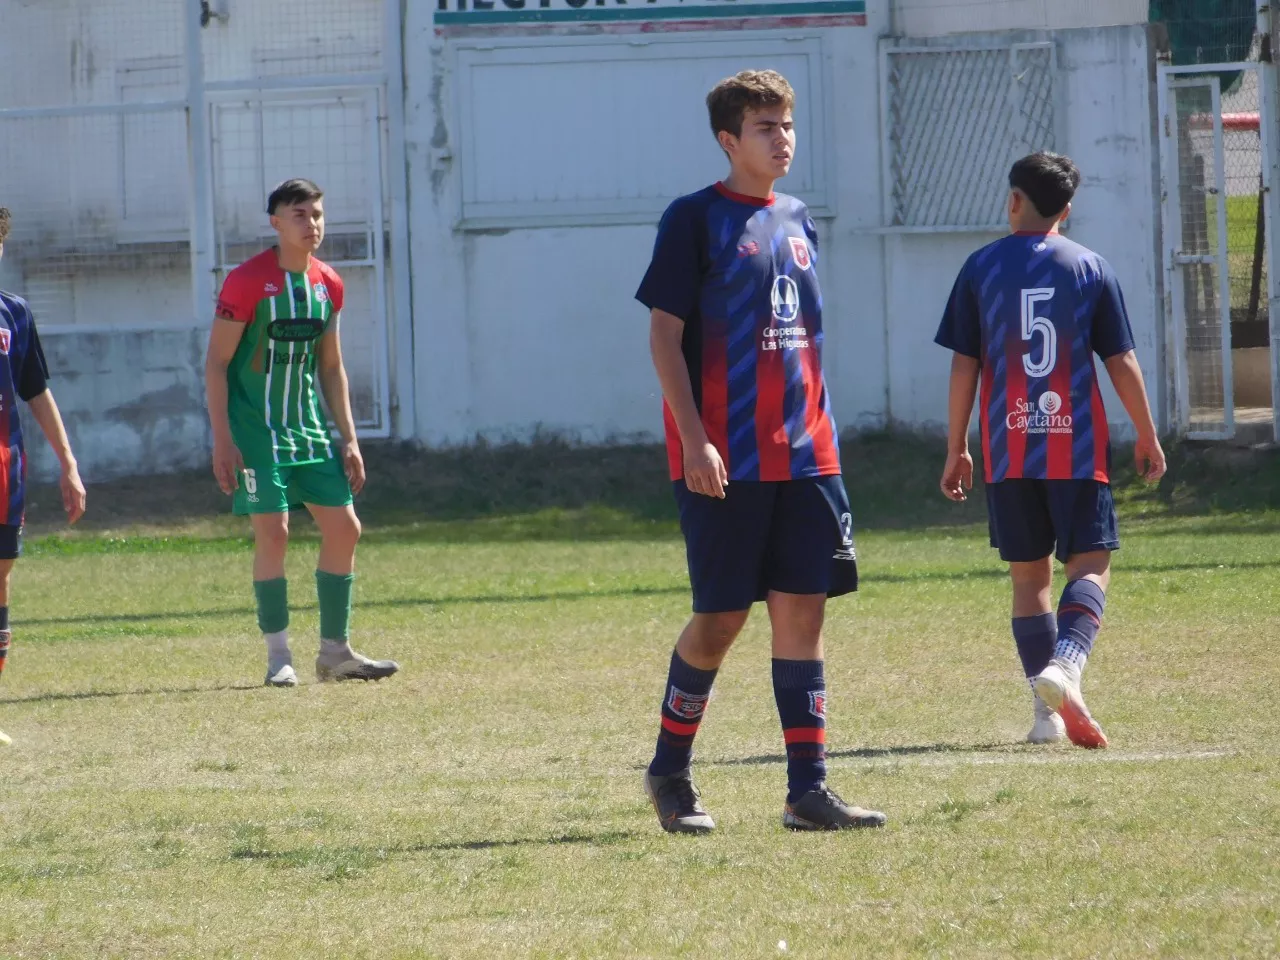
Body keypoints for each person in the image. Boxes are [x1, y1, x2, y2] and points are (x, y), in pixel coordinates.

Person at [635, 71, 886, 833]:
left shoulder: (799, 218)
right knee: (719, 621)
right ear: (727, 140)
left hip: (807, 456)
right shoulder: (694, 220)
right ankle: (669, 774)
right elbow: (664, 338)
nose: (781, 139)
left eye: (786, 124)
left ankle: (807, 792)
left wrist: (823, 439)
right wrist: (697, 439)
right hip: (726, 461)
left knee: (802, 614)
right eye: (764, 127)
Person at [934, 151, 1166, 748]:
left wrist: (958, 446)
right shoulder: (1089, 266)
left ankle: (1046, 718)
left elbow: (966, 364)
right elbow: (1121, 361)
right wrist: (1145, 430)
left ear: (1014, 200)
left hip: (1008, 450)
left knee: (1028, 577)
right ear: (1066, 210)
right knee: (1090, 563)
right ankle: (1066, 664)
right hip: (1075, 448)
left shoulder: (980, 267)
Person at [205, 179, 398, 688]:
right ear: (275, 223)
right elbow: (217, 363)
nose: (310, 224)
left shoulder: (328, 283)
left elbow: (332, 368)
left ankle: (336, 653)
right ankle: (278, 658)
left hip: (308, 432)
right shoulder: (246, 282)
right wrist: (223, 439)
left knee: (346, 529)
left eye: (316, 214)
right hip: (257, 435)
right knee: (274, 532)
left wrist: (350, 439)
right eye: (298, 215)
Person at [0, 206, 88, 745]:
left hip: (4, 468)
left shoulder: (15, 314)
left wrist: (69, 462)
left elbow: (36, 389)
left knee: (1, 577)